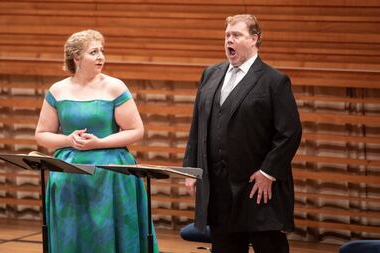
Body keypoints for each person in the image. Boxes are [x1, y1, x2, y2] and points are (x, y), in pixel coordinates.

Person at [183, 14, 302, 253]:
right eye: (227, 35)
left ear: (254, 39)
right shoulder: (210, 74)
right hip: (218, 187)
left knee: (269, 247)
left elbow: (289, 133)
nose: (229, 40)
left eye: (236, 35)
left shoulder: (273, 80)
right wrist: (191, 170)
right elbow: (197, 127)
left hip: (257, 188)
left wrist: (268, 173)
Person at [35, 29, 158, 253]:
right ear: (76, 58)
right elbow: (42, 134)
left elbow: (136, 130)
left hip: (110, 173)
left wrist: (99, 143)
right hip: (69, 175)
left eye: (102, 51)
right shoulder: (58, 90)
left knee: (107, 235)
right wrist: (68, 139)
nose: (101, 56)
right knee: (72, 233)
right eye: (94, 52)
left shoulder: (115, 87)